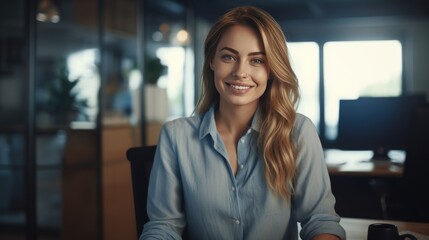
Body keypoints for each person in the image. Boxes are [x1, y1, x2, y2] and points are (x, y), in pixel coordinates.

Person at [141, 5, 346, 240]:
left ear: (271, 70)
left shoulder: (298, 132)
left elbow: (320, 220)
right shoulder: (175, 136)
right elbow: (163, 227)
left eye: (257, 60)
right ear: (212, 61)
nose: (240, 72)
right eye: (229, 57)